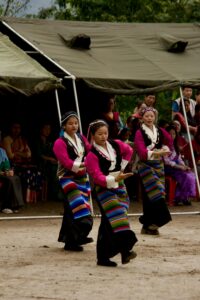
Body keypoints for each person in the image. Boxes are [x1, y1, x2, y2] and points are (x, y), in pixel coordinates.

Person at [85, 120, 137, 267]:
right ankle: (125, 250)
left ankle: (104, 257)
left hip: (119, 186)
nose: (103, 136)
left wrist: (121, 168)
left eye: (105, 133)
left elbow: (129, 151)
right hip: (104, 189)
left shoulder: (115, 144)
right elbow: (97, 177)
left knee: (109, 222)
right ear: (93, 136)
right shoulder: (91, 155)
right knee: (118, 216)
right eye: (99, 134)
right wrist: (114, 177)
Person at [53, 111, 93, 252]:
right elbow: (66, 162)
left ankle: (71, 239)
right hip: (67, 178)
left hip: (82, 177)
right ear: (64, 126)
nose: (74, 126)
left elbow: (90, 151)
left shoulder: (81, 138)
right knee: (77, 208)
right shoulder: (59, 142)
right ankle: (75, 238)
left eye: (75, 123)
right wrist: (84, 164)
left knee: (73, 209)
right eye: (70, 123)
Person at [134, 107, 173, 235]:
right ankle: (159, 220)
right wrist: (158, 152)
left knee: (156, 193)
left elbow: (169, 141)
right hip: (145, 166)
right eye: (147, 116)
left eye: (152, 116)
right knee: (153, 193)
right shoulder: (139, 132)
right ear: (142, 118)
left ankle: (148, 225)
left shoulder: (160, 131)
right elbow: (141, 152)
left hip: (158, 166)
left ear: (155, 117)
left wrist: (165, 148)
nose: (149, 118)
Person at [2, 121, 42, 203]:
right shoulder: (7, 140)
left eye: (18, 128)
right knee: (27, 173)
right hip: (12, 165)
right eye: (14, 128)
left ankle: (31, 198)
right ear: (10, 128)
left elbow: (29, 154)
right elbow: (10, 156)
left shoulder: (22, 140)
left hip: (23, 164)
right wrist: (22, 154)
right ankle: (23, 198)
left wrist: (17, 153)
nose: (17, 130)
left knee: (37, 172)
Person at [164, 125, 196, 205]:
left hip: (177, 167)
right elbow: (166, 161)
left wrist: (184, 166)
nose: (172, 136)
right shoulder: (164, 146)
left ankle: (183, 197)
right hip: (168, 168)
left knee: (191, 175)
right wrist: (179, 167)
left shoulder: (175, 146)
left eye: (174, 134)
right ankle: (178, 198)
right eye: (169, 134)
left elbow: (179, 158)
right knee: (185, 177)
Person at [34, 123, 60, 201]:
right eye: (45, 129)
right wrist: (50, 159)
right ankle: (55, 195)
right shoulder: (37, 140)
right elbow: (38, 155)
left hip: (49, 163)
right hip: (40, 164)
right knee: (54, 170)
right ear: (41, 129)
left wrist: (56, 160)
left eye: (49, 129)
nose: (47, 131)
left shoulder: (50, 141)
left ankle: (59, 195)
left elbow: (53, 153)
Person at [0, 147, 24, 213]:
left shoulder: (2, 151)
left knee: (15, 178)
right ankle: (5, 206)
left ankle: (16, 205)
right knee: (8, 181)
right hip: (1, 173)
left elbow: (6, 165)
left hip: (3, 174)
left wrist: (8, 171)